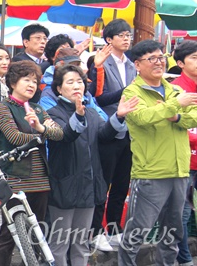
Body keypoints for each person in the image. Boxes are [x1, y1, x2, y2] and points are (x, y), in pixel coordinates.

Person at [46, 65, 135, 266]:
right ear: (59, 89)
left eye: (79, 81)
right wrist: (77, 115)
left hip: (89, 185)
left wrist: (118, 116)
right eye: (70, 82)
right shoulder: (52, 113)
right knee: (59, 244)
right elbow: (65, 136)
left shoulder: (92, 113)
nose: (77, 86)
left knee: (81, 243)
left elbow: (104, 135)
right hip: (64, 185)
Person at [118, 40, 197, 266]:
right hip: (151, 172)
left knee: (173, 232)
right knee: (137, 231)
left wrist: (176, 117)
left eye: (161, 57)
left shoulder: (174, 89)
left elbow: (194, 115)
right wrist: (173, 108)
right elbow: (142, 118)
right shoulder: (132, 91)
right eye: (151, 59)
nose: (158, 62)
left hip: (180, 169)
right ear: (137, 65)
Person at [0, 60, 64, 266]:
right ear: (13, 82)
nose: (32, 85)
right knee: (9, 234)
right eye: (26, 80)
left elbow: (58, 133)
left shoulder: (38, 109)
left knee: (36, 232)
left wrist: (40, 128)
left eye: (35, 81)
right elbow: (14, 137)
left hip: (40, 178)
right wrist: (41, 135)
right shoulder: (2, 108)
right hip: (14, 176)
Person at [87, 19, 136, 251]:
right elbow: (97, 98)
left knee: (121, 183)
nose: (127, 39)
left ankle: (115, 229)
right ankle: (95, 231)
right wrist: (127, 92)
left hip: (129, 131)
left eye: (129, 35)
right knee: (102, 182)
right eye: (122, 35)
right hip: (107, 129)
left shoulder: (131, 64)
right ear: (109, 39)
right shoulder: (100, 63)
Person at [170, 40, 197, 266]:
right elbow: (177, 125)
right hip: (185, 160)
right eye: (194, 58)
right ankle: (184, 258)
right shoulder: (176, 88)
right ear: (180, 63)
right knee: (183, 213)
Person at [39, 47, 107, 120]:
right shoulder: (47, 95)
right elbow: (54, 124)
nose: (74, 69)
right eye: (70, 65)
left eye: (77, 65)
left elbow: (103, 118)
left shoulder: (84, 93)